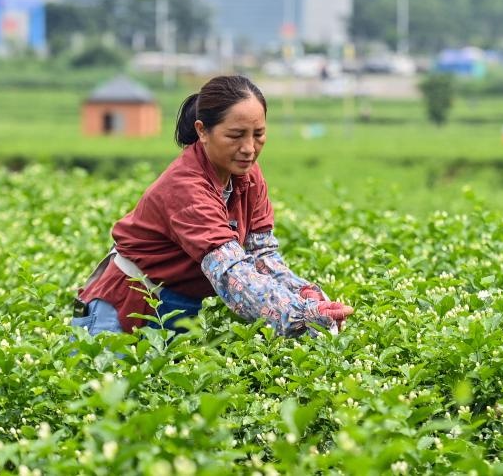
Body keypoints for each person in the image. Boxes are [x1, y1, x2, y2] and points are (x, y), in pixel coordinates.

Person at [73, 75, 354, 338]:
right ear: (202, 131)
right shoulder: (186, 187)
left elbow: (261, 254)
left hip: (178, 305)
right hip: (125, 309)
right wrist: (299, 315)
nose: (249, 148)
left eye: (258, 134)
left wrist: (304, 293)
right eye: (236, 135)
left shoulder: (248, 176)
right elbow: (231, 272)